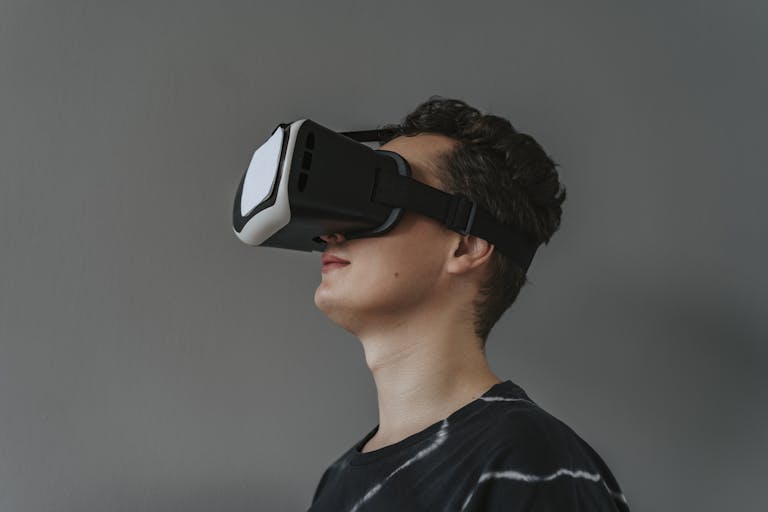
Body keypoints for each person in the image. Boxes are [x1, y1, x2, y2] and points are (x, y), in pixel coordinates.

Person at [307, 96, 629, 511]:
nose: (332, 230)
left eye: (378, 198)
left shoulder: (532, 463)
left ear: (465, 245)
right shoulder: (335, 483)